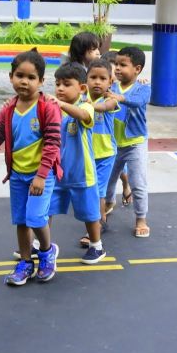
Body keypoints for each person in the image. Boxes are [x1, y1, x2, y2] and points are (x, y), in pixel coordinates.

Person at [0, 48, 63, 285]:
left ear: (42, 81)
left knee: (36, 218)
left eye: (31, 77)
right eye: (20, 76)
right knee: (22, 221)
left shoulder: (48, 108)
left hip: (41, 175)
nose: (25, 81)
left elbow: (53, 143)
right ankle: (25, 262)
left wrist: (42, 175)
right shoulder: (8, 110)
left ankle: (46, 251)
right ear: (10, 76)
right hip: (18, 176)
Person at [46, 63, 106, 264]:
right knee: (46, 209)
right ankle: (41, 245)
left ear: (81, 88)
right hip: (57, 173)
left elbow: (84, 116)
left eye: (66, 84)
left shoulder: (85, 105)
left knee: (90, 213)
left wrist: (61, 105)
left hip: (82, 173)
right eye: (57, 84)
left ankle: (96, 246)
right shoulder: (53, 109)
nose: (60, 88)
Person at [104, 47, 152, 238]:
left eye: (122, 65)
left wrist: (119, 97)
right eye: (116, 64)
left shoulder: (143, 88)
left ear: (137, 69)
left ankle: (141, 218)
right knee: (107, 181)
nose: (117, 68)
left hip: (135, 143)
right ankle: (107, 204)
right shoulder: (112, 86)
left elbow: (137, 101)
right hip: (113, 144)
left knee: (138, 182)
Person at [79, 59, 120, 248]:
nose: (97, 82)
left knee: (98, 192)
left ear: (110, 82)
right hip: (87, 154)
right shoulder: (82, 97)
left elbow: (104, 108)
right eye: (93, 77)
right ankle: (96, 222)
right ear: (85, 80)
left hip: (105, 154)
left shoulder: (110, 99)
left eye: (102, 78)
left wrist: (87, 106)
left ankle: (97, 226)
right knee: (90, 191)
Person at [102, 51, 132, 208]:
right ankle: (109, 200)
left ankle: (126, 185)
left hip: (120, 134)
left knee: (121, 171)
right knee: (111, 170)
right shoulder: (101, 88)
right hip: (107, 134)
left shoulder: (122, 88)